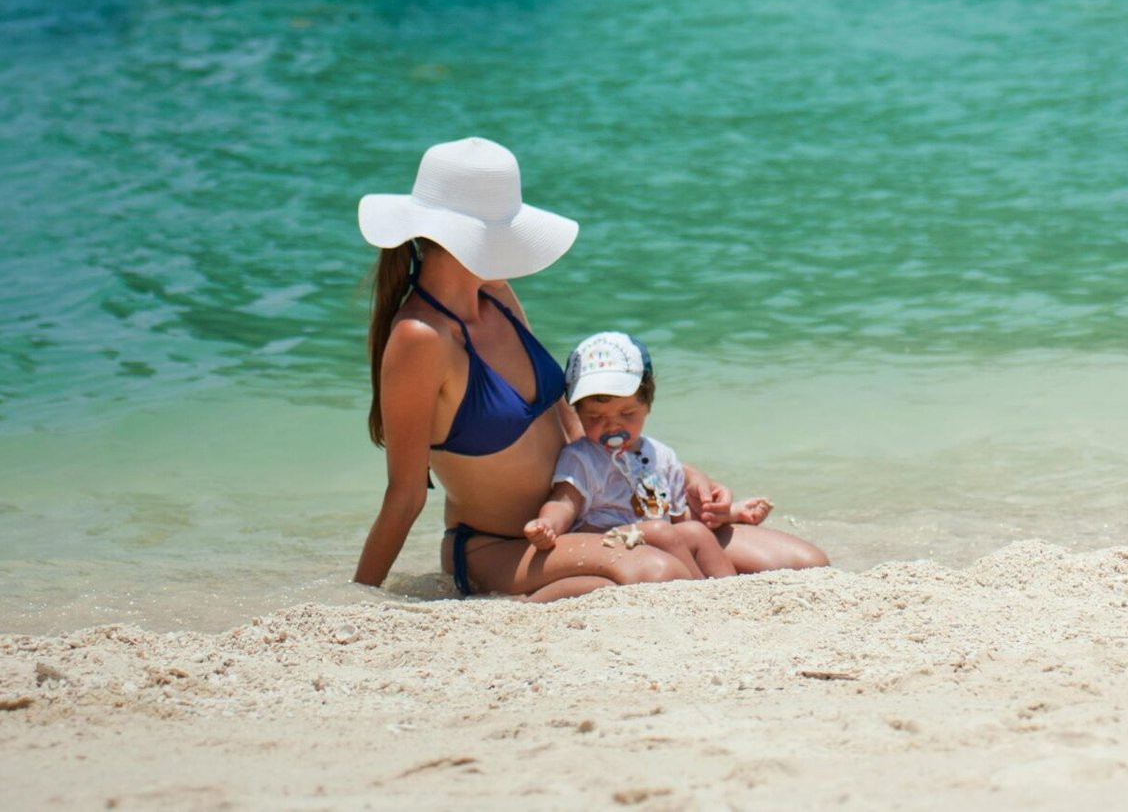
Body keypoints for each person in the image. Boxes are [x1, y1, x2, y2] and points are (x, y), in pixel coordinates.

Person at [352, 138, 694, 601]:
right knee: (659, 574)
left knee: (793, 560)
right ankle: (540, 594)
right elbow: (406, 495)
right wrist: (360, 598)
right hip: (499, 548)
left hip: (583, 518)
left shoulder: (496, 294)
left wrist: (657, 485)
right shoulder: (422, 338)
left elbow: (570, 423)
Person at [524, 330, 828, 578]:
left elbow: (678, 513)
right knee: (662, 531)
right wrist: (548, 525)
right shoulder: (581, 458)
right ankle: (695, 588)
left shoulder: (660, 455)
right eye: (595, 417)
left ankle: (727, 591)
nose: (612, 425)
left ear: (648, 405)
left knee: (691, 530)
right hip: (607, 539)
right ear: (577, 413)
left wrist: (731, 513)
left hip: (660, 535)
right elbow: (564, 500)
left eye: (627, 413)